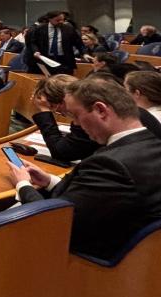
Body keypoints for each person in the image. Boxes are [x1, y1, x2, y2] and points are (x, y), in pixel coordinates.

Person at [8, 76, 161, 259]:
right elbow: (97, 199)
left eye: (76, 116)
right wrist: (50, 181)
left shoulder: (110, 165)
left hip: (86, 264)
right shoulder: (151, 143)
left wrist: (23, 185)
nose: (77, 124)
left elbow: (56, 222)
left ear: (100, 110)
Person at [29, 75, 100, 162]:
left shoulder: (87, 119)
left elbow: (60, 152)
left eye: (52, 107)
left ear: (62, 102)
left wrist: (44, 110)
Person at [24, 10, 83, 74]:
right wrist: (36, 51)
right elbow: (33, 42)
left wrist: (84, 53)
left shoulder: (69, 28)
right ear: (50, 19)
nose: (61, 22)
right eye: (57, 20)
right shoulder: (40, 28)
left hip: (64, 60)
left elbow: (78, 42)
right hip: (46, 59)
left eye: (62, 20)